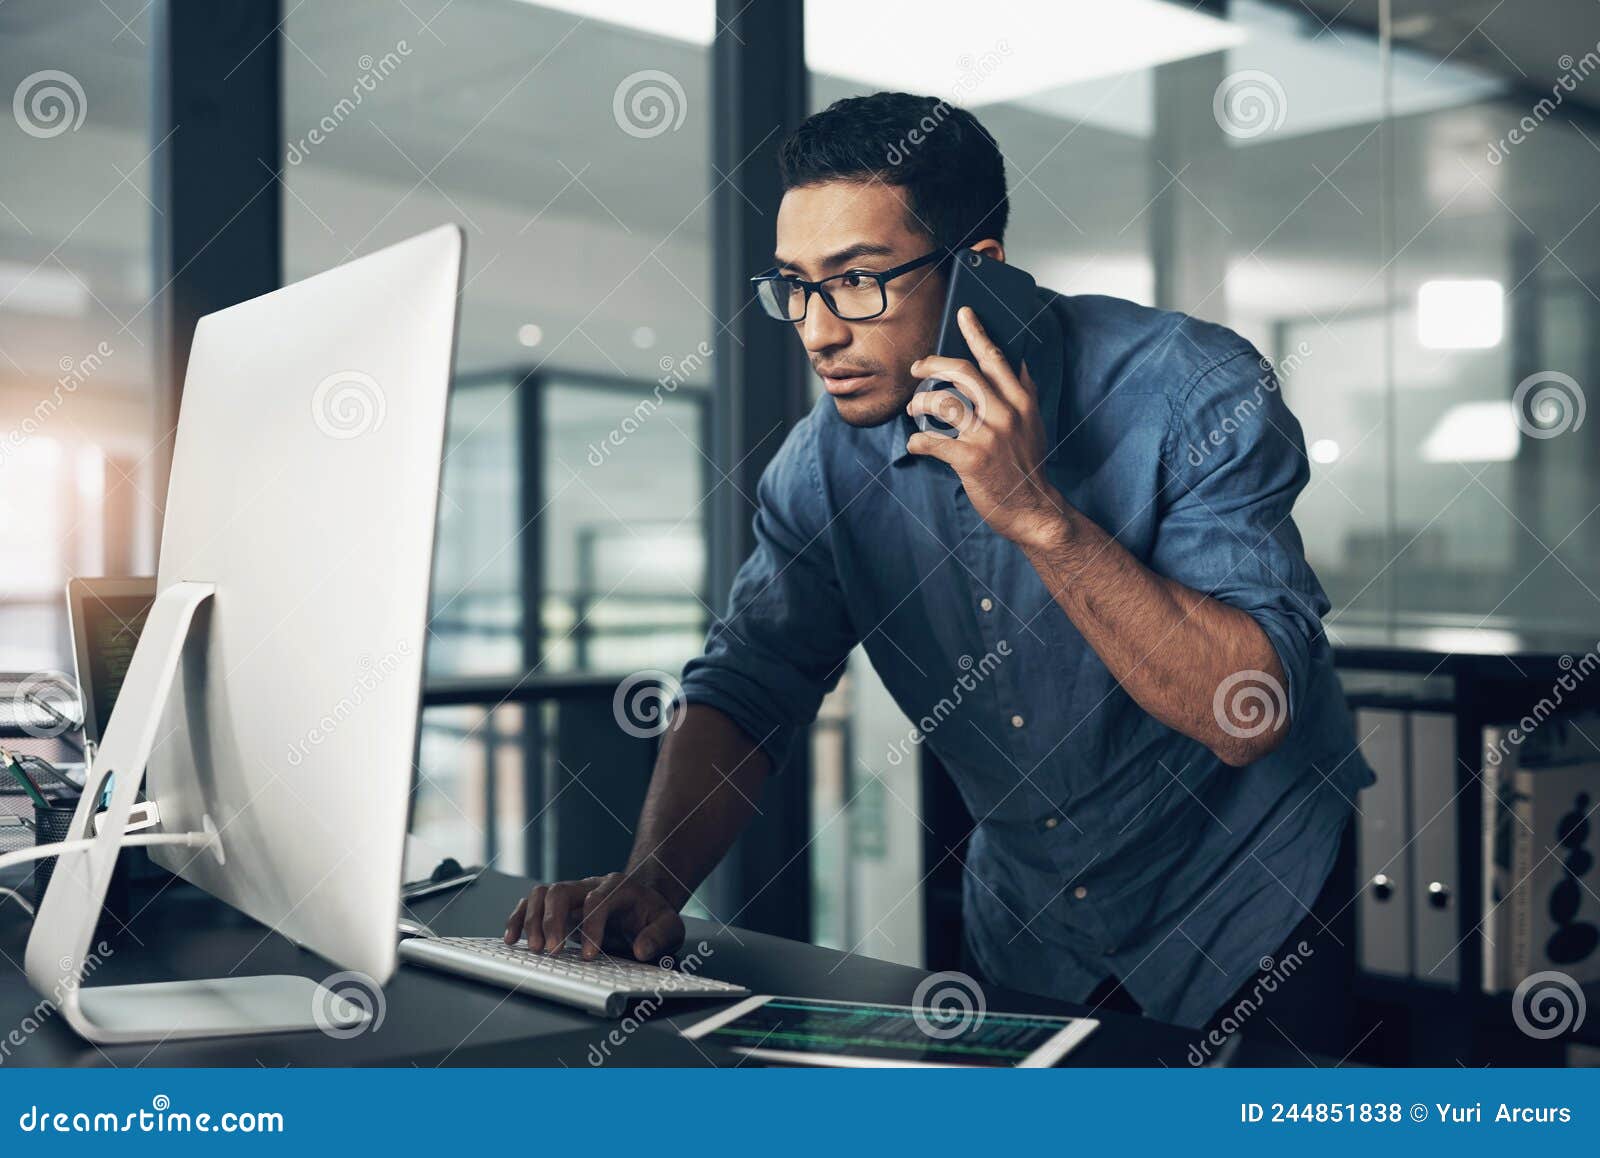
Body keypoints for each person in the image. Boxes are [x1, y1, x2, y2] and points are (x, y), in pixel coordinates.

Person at [505, 91, 1373, 1047]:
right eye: (795, 285)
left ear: (978, 269)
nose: (817, 330)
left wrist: (1038, 515)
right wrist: (654, 880)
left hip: (1249, 904)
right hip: (1031, 929)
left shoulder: (1193, 389)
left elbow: (1247, 713)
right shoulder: (821, 464)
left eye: (857, 280)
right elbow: (750, 685)